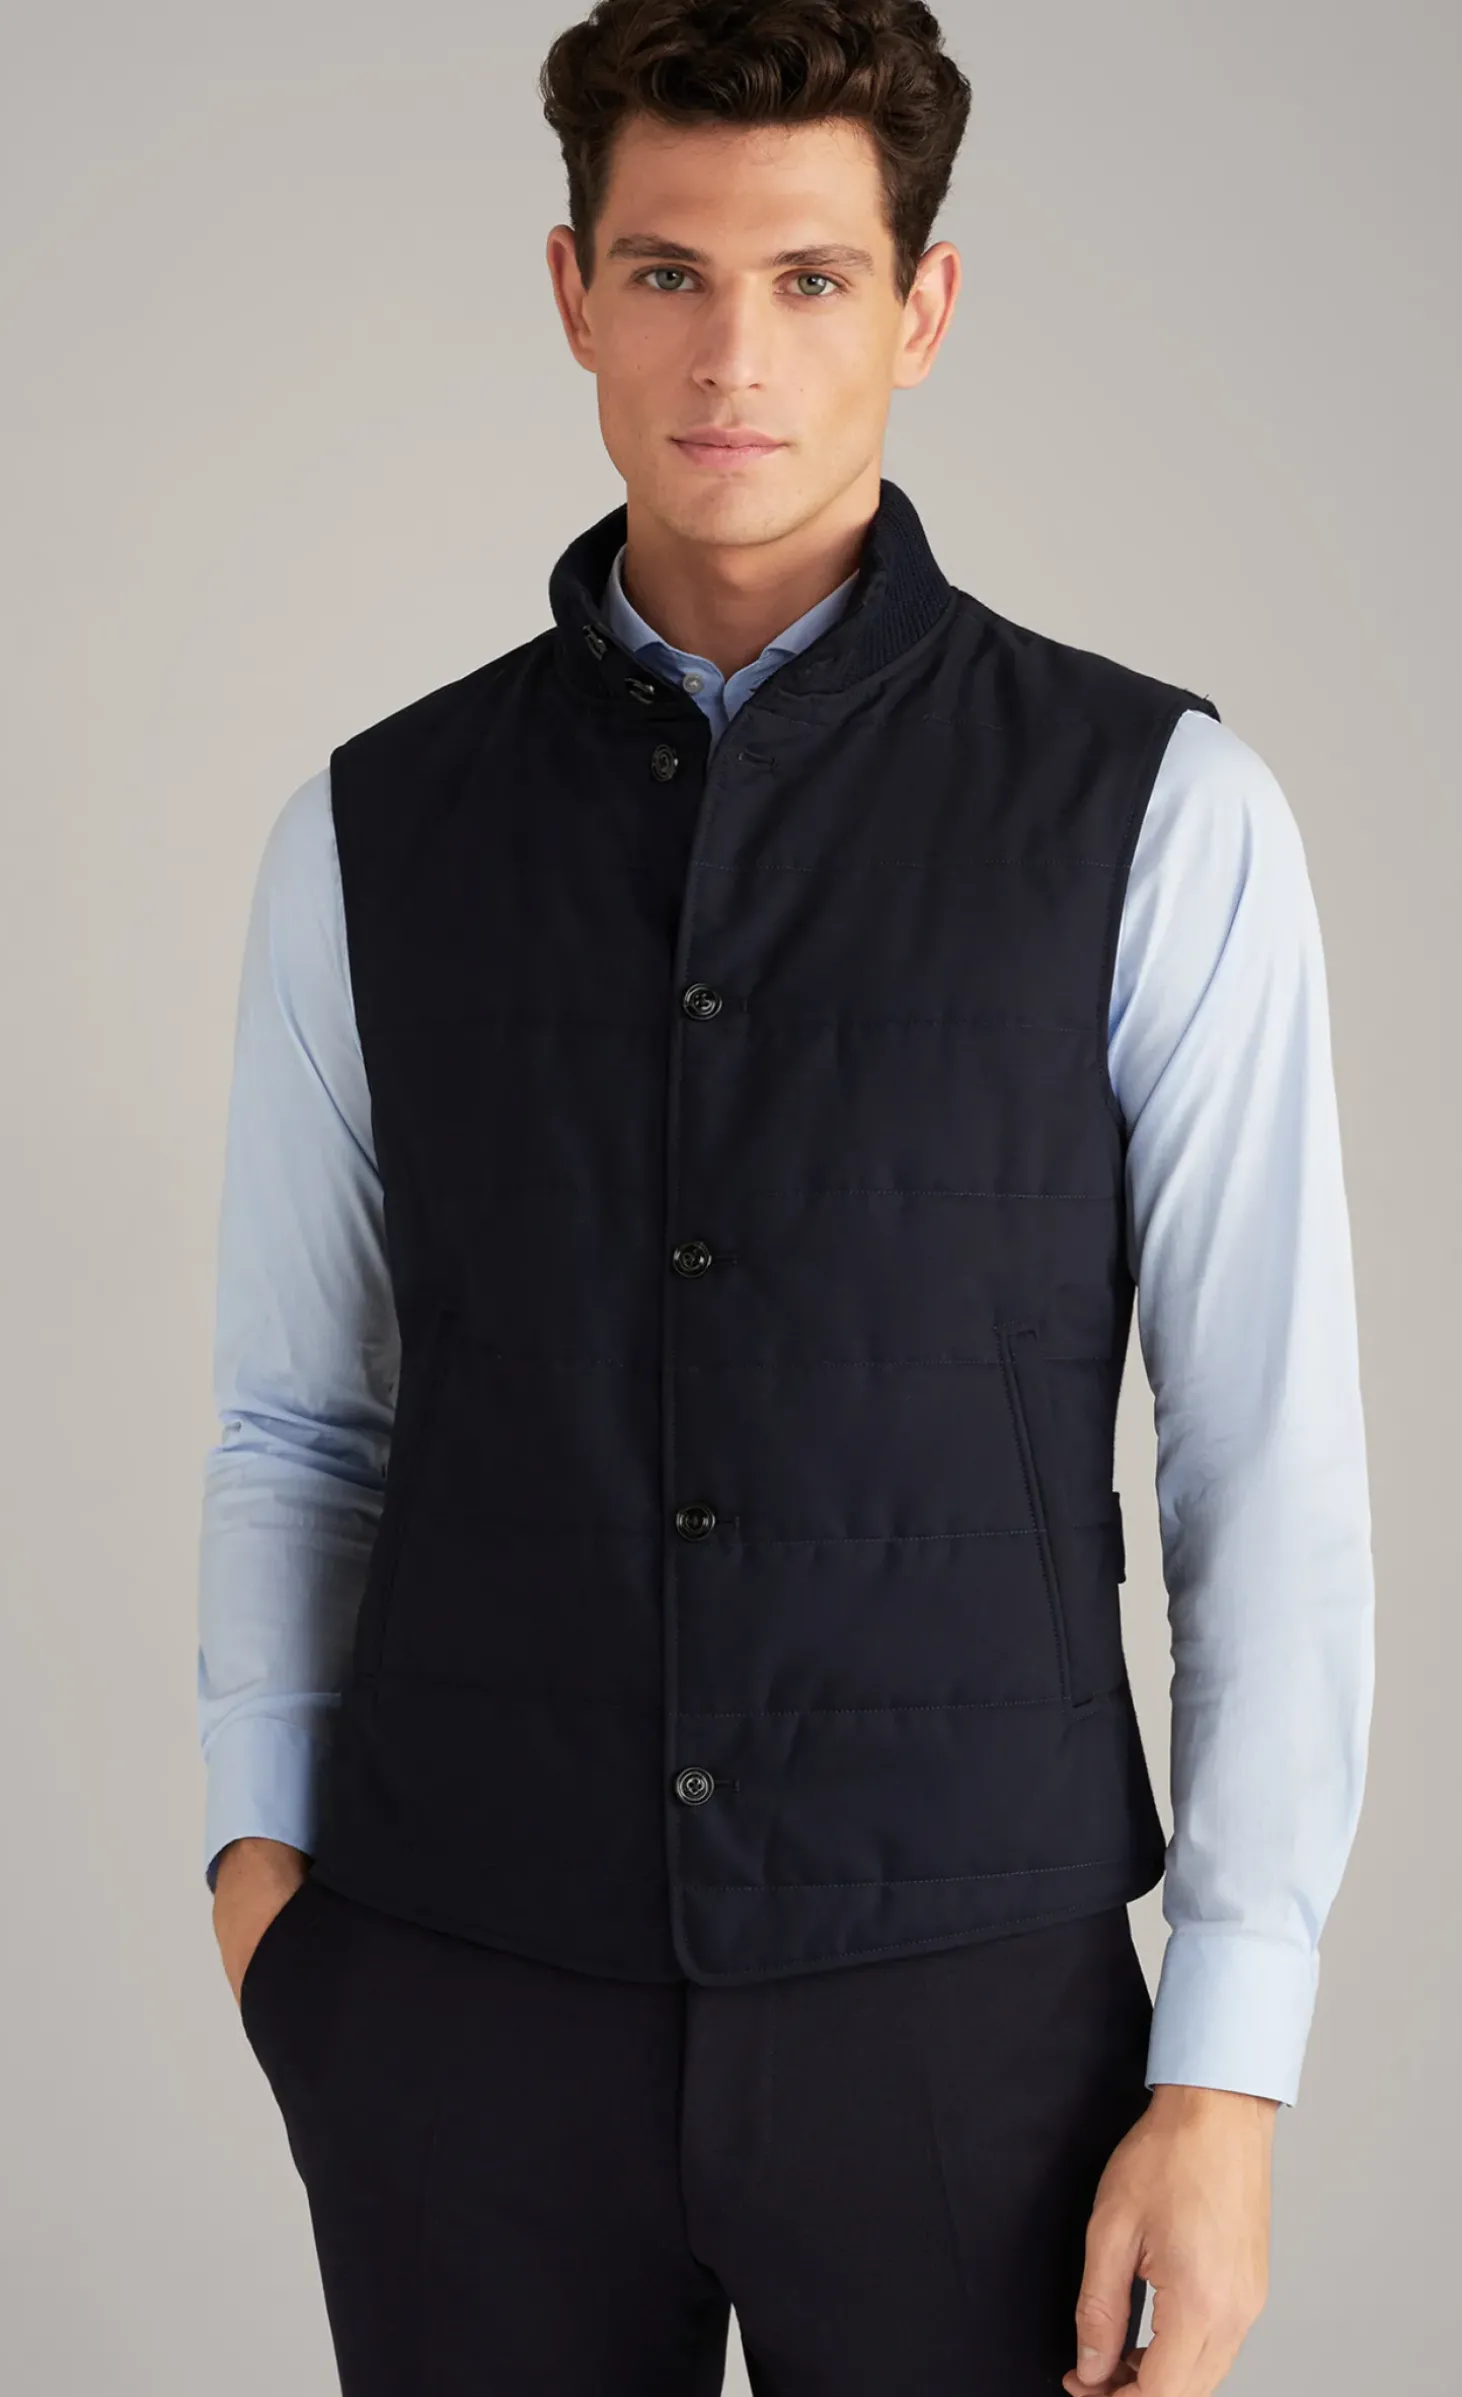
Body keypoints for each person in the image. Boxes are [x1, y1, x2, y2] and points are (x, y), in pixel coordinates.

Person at [196, 3, 1374, 2391]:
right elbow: (302, 1419)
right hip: (457, 1999)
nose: (730, 354)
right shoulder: (369, 831)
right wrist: (265, 1892)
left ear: (918, 309)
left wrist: (1227, 2065)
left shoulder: (1158, 813)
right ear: (571, 292)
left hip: (970, 2018)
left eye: (809, 279)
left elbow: (1262, 1462)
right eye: (666, 272)